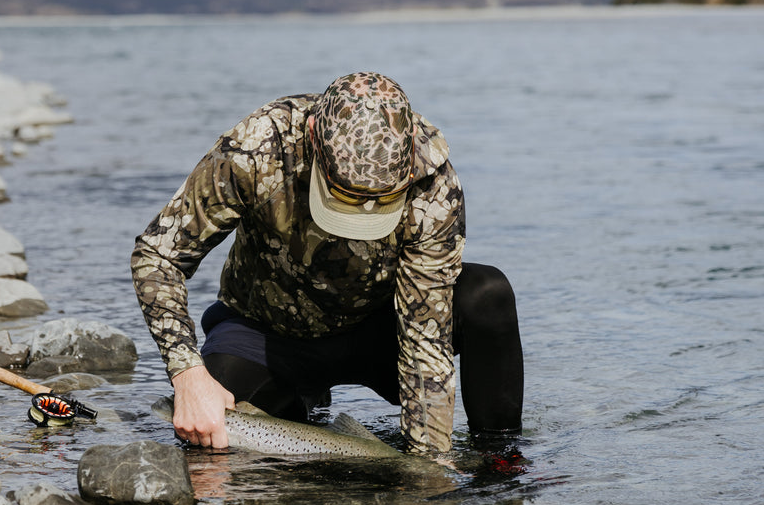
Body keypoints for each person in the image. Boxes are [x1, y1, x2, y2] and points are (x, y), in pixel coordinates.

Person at [131, 71, 523, 456]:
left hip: (382, 331)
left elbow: (425, 339)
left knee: (487, 293)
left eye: (381, 201)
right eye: (345, 197)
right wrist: (188, 374)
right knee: (204, 434)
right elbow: (158, 255)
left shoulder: (433, 184)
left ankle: (501, 460)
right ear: (314, 134)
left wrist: (429, 473)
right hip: (267, 335)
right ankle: (297, 400)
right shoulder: (258, 147)